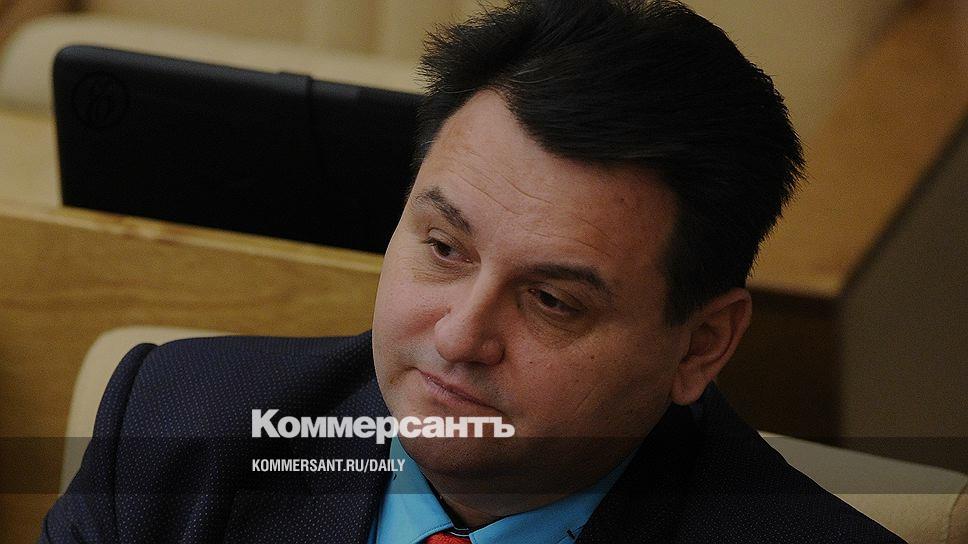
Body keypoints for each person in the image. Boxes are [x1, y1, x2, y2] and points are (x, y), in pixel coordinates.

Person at [41, 0, 904, 542]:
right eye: (445, 249)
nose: (460, 337)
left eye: (552, 300)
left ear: (700, 345)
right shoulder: (174, 429)